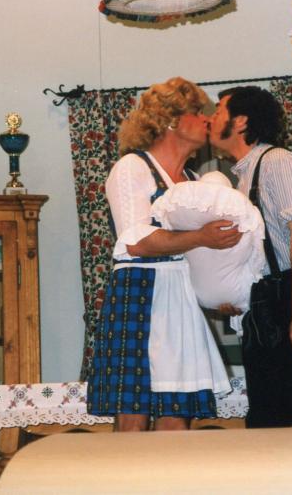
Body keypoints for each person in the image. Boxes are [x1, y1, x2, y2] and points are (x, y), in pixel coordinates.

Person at [87, 77, 241, 432]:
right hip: (139, 293)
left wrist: (223, 293)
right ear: (172, 120)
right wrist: (200, 236)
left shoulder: (192, 179)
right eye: (197, 112)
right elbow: (136, 241)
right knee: (133, 415)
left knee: (177, 415)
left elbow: (203, 254)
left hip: (181, 298)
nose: (206, 119)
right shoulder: (132, 167)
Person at [209, 86, 292, 428]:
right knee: (266, 419)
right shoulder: (244, 177)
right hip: (269, 300)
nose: (211, 119)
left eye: (218, 111)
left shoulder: (278, 162)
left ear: (241, 121)